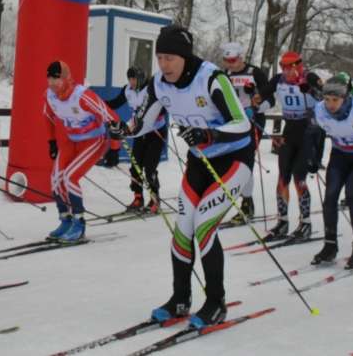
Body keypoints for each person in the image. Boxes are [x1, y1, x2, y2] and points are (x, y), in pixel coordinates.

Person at [121, 25, 251, 328]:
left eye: (170, 58)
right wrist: (123, 130)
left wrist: (209, 133)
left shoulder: (211, 79)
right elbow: (141, 122)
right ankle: (180, 299)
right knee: (182, 228)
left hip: (233, 159)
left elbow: (242, 124)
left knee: (204, 225)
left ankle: (216, 302)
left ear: (184, 56)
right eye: (160, 57)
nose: (164, 64)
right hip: (199, 161)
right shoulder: (159, 85)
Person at [44, 60, 119, 242]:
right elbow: (48, 117)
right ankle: (65, 219)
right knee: (55, 178)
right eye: (49, 78)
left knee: (70, 177)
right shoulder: (50, 96)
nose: (52, 83)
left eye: (57, 78)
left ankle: (79, 223)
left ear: (66, 78)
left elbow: (113, 118)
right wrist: (52, 142)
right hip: (73, 140)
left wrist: (114, 149)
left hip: (94, 140)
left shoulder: (82, 96)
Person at [310, 74, 353, 268]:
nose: (330, 104)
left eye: (335, 100)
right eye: (327, 99)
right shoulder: (320, 110)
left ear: (345, 98)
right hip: (340, 155)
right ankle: (330, 246)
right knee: (330, 197)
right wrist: (312, 156)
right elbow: (313, 132)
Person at [266, 51, 322, 240]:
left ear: (299, 65)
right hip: (289, 130)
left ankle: (305, 223)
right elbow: (265, 95)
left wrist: (311, 90)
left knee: (300, 177)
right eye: (283, 66)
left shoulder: (310, 77)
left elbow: (327, 98)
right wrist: (256, 101)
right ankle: (282, 222)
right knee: (283, 176)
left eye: (290, 66)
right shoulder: (279, 79)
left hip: (308, 130)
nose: (286, 71)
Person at [220, 41, 273, 225]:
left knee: (245, 161)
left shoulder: (255, 73)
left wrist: (256, 109)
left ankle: (247, 204)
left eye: (233, 60)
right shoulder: (224, 74)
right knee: (230, 162)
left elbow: (270, 99)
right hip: (233, 122)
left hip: (252, 121)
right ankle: (233, 198)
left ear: (241, 58)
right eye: (227, 60)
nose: (230, 64)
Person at [104, 66, 166, 213]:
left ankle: (154, 199)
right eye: (129, 79)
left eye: (134, 79)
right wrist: (98, 103)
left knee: (149, 168)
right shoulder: (128, 90)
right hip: (138, 133)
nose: (131, 82)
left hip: (155, 132)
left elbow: (163, 107)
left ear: (141, 78)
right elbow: (115, 103)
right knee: (135, 167)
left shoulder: (151, 89)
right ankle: (138, 198)